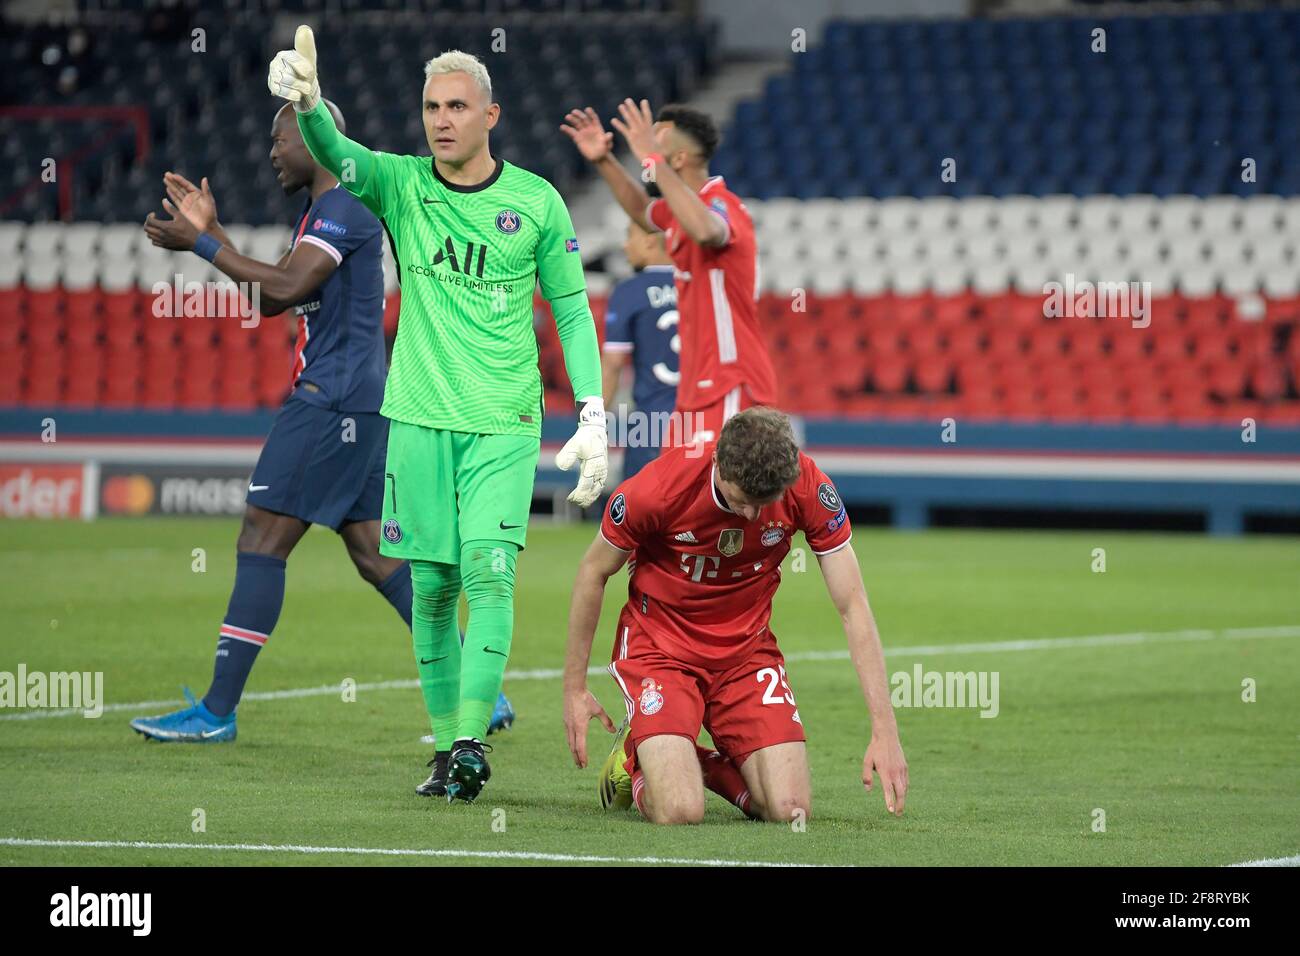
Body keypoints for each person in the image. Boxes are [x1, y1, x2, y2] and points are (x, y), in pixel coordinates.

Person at [268, 27, 607, 801]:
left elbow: (572, 308)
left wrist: (592, 411)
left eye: (458, 105)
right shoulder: (399, 185)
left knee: (489, 572)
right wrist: (313, 105)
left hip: (503, 421)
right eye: (430, 106)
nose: (441, 119)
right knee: (433, 587)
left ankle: (466, 742)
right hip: (417, 417)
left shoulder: (536, 202)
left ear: (492, 115)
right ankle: (448, 745)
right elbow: (338, 157)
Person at [563, 407, 908, 824]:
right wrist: (575, 689)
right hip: (661, 649)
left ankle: (686, 758)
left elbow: (853, 605)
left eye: (763, 505)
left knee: (790, 810)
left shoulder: (807, 485)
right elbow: (592, 572)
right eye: (741, 502)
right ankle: (637, 758)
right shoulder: (658, 489)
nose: (749, 517)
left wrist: (885, 731)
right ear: (717, 464)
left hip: (746, 655)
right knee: (679, 811)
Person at [563, 100, 776, 447]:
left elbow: (707, 231)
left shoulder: (721, 205)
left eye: (655, 146)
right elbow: (641, 210)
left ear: (677, 160)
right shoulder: (678, 213)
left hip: (730, 382)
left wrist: (653, 159)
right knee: (652, 498)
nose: (646, 158)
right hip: (694, 391)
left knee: (727, 495)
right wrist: (603, 160)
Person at [602, 222, 679, 480]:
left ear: (649, 241)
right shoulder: (699, 286)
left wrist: (593, 423)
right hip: (700, 423)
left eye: (630, 235)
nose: (626, 245)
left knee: (637, 516)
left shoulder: (630, 291)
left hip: (650, 425)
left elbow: (613, 363)